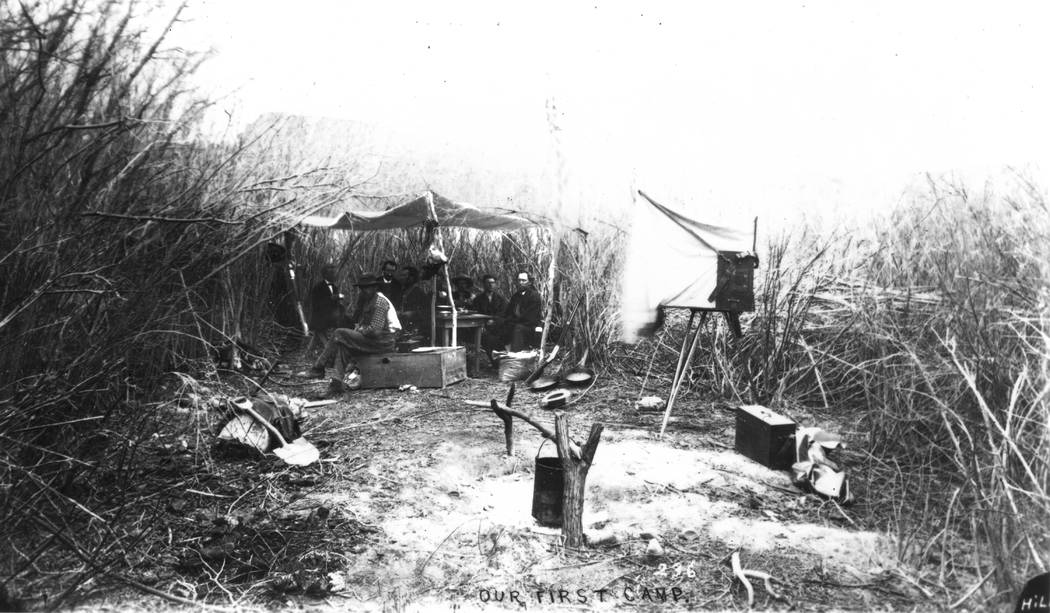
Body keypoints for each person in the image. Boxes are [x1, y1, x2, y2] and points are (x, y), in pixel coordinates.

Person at [306, 273, 401, 395]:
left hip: (383, 342)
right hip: (373, 341)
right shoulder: (368, 301)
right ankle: (336, 384)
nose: (364, 291)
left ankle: (318, 367)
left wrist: (360, 330)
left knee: (339, 333)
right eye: (362, 288)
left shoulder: (380, 302)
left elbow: (375, 331)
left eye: (367, 287)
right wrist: (360, 328)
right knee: (342, 347)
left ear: (375, 288)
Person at [503, 271, 542, 351]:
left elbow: (529, 318)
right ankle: (502, 357)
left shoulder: (534, 296)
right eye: (519, 280)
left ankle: (515, 357)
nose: (521, 282)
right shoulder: (516, 296)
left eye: (523, 280)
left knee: (518, 328)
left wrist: (512, 321)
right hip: (516, 323)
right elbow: (508, 312)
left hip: (530, 327)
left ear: (530, 282)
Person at [473, 274, 508, 362]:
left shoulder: (501, 299)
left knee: (499, 337)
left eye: (492, 283)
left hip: (498, 326)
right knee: (486, 337)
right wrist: (482, 325)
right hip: (483, 326)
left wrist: (494, 321)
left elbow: (503, 314)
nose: (490, 285)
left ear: (495, 284)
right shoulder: (478, 299)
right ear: (484, 284)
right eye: (488, 283)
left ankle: (502, 360)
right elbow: (475, 314)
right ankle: (495, 362)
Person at [307, 264, 343, 349]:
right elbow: (316, 303)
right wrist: (331, 299)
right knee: (321, 332)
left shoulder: (334, 287)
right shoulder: (318, 287)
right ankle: (327, 349)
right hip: (320, 316)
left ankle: (309, 350)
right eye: (332, 273)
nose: (334, 275)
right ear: (326, 275)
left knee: (318, 332)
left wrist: (338, 300)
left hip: (330, 316)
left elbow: (336, 303)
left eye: (334, 273)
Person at [397, 265, 430, 335]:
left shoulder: (420, 292)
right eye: (401, 275)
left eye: (404, 275)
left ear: (411, 278)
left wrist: (413, 314)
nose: (401, 278)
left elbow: (427, 312)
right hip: (401, 327)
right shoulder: (400, 292)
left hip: (416, 329)